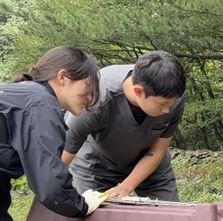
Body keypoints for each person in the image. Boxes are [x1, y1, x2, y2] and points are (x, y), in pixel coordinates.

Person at [0, 46, 109, 221]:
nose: (90, 97)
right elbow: (51, 185)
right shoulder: (40, 103)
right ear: (62, 77)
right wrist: (81, 204)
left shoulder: (22, 97)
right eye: (88, 87)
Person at [62, 50, 186, 201]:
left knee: (171, 215)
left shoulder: (172, 96)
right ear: (138, 91)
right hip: (96, 162)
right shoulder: (95, 97)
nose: (168, 110)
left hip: (148, 161)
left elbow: (157, 151)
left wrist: (126, 187)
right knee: (95, 218)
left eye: (171, 103)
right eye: (163, 104)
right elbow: (64, 154)